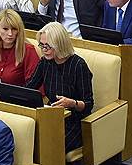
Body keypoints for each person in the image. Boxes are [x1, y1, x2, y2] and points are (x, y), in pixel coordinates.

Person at [25, 22, 94, 153]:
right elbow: (29, 88)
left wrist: (72, 103)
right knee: (30, 137)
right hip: (51, 117)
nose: (44, 50)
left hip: (74, 122)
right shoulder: (45, 62)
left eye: (48, 46)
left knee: (48, 143)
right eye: (42, 45)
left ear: (59, 45)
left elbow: (88, 104)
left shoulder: (79, 65)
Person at [0, 9, 40, 85]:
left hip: (17, 92)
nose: (10, 33)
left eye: (14, 29)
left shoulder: (28, 51)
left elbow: (34, 85)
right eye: (5, 29)